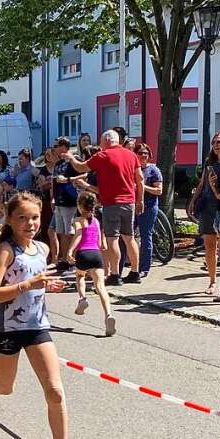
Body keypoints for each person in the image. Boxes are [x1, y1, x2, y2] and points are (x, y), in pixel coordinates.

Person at [0, 191, 84, 439]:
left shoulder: (43, 250)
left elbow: (36, 287)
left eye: (34, 217)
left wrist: (47, 287)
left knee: (55, 391)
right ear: (10, 219)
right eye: (22, 218)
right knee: (5, 387)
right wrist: (28, 284)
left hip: (37, 326)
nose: (30, 223)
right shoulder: (6, 250)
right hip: (7, 328)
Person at [67, 130, 144, 285]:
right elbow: (140, 179)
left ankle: (115, 275)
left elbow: (81, 168)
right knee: (129, 238)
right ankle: (135, 272)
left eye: (101, 141)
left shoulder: (103, 156)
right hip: (129, 202)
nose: (100, 144)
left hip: (111, 203)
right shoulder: (131, 155)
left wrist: (71, 158)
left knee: (112, 239)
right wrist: (140, 200)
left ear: (107, 141)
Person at [67, 191, 116, 336]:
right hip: (96, 255)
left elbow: (79, 235)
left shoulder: (78, 220)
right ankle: (108, 315)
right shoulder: (96, 221)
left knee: (80, 276)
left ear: (80, 206)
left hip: (83, 254)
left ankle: (82, 298)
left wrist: (70, 250)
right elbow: (102, 244)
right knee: (100, 287)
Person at [189, 135, 220, 296]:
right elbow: (203, 182)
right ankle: (212, 281)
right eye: (214, 142)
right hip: (208, 207)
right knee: (210, 247)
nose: (216, 145)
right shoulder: (209, 161)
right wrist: (193, 200)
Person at [49, 137, 80, 271]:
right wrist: (53, 197)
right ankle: (63, 260)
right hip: (59, 202)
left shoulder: (73, 160)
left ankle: (71, 260)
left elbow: (84, 175)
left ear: (63, 146)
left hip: (70, 201)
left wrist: (68, 179)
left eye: (56, 146)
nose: (54, 148)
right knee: (61, 232)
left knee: (70, 232)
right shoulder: (58, 163)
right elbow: (54, 182)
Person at [134, 144, 163, 277]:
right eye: (140, 153)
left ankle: (144, 268)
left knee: (146, 237)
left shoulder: (153, 170)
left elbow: (159, 190)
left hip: (149, 207)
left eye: (146, 153)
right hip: (132, 206)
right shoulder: (132, 169)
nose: (143, 155)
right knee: (127, 237)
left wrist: (142, 187)